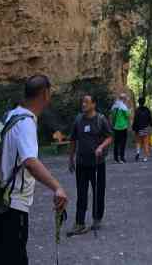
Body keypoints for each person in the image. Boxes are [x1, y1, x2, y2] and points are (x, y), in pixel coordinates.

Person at [0, 74, 68, 265]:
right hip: (13, 206)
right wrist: (57, 187)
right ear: (45, 94)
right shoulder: (25, 122)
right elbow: (30, 162)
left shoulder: (10, 116)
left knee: (1, 258)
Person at [66, 94, 113, 236]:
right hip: (81, 163)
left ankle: (97, 219)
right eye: (83, 102)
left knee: (98, 191)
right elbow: (73, 140)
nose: (83, 104)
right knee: (81, 193)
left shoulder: (100, 119)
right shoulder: (78, 120)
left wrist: (101, 147)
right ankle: (80, 223)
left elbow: (110, 136)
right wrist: (70, 158)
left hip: (97, 163)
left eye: (86, 102)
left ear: (94, 104)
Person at [109, 93, 131, 163]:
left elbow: (112, 115)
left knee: (116, 143)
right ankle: (122, 158)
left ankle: (115, 158)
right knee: (123, 143)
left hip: (115, 126)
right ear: (123, 99)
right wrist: (129, 110)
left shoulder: (114, 106)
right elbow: (127, 115)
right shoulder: (123, 106)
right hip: (123, 126)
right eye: (125, 99)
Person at [132, 96, 152, 162]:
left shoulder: (137, 110)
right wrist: (151, 125)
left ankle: (138, 152)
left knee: (138, 142)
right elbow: (150, 119)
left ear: (138, 102)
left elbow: (135, 120)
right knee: (145, 143)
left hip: (139, 129)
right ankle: (145, 157)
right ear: (144, 102)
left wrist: (134, 128)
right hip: (146, 128)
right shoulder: (147, 109)